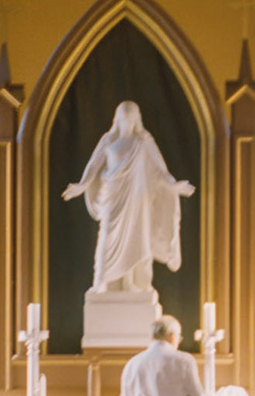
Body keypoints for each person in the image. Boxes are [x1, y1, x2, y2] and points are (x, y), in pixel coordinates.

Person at [61, 98, 196, 295]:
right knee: (106, 237)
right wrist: (81, 185)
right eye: (124, 118)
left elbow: (160, 170)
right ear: (118, 119)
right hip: (113, 198)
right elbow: (93, 165)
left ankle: (130, 284)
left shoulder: (143, 142)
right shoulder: (108, 140)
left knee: (134, 239)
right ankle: (100, 281)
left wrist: (174, 185)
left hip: (135, 200)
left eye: (131, 119)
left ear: (136, 120)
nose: (127, 123)